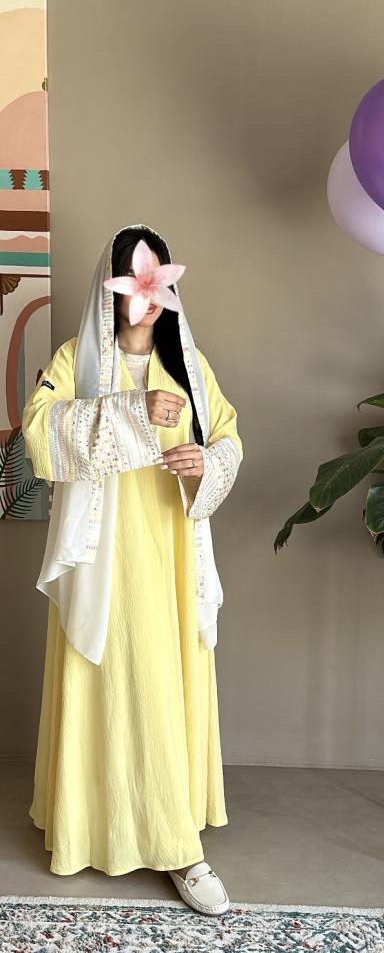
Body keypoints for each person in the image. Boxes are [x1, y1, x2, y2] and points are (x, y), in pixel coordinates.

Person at [21, 222, 243, 916]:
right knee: (117, 684)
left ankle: (179, 847)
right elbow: (38, 430)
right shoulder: (76, 360)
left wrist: (202, 463)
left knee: (161, 687)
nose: (145, 297)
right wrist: (130, 410)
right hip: (105, 557)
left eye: (156, 283)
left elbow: (229, 441)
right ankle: (93, 828)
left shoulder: (191, 370)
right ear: (112, 289)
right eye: (133, 282)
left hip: (171, 553)